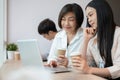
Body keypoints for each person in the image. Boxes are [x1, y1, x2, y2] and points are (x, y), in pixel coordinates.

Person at [71, 0, 120, 80]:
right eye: (87, 17)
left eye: (91, 15)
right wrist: (85, 40)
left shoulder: (118, 34)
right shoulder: (94, 38)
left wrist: (89, 70)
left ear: (102, 12)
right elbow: (83, 63)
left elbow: (118, 69)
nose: (89, 20)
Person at [47, 3, 84, 68]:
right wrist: (52, 61)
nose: (66, 23)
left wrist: (68, 63)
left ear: (78, 20)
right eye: (63, 19)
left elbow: (90, 62)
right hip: (62, 73)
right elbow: (52, 56)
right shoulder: (59, 35)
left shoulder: (85, 35)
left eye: (71, 20)